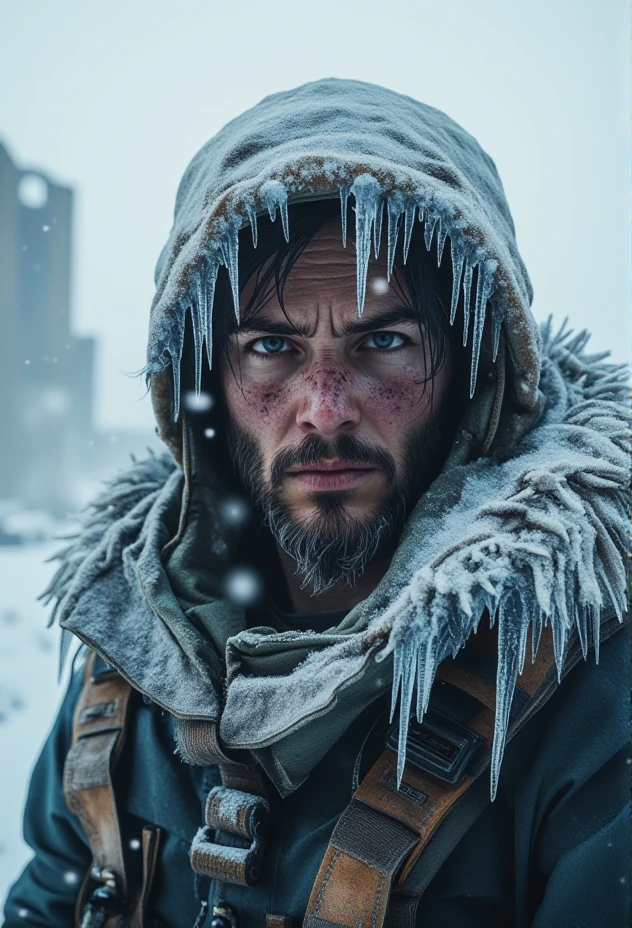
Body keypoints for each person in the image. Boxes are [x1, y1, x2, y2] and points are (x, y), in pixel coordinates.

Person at [3, 78, 629, 928]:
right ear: (205, 387)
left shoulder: (593, 701)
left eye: (384, 341)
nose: (326, 407)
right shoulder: (128, 656)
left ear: (476, 378)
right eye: (270, 346)